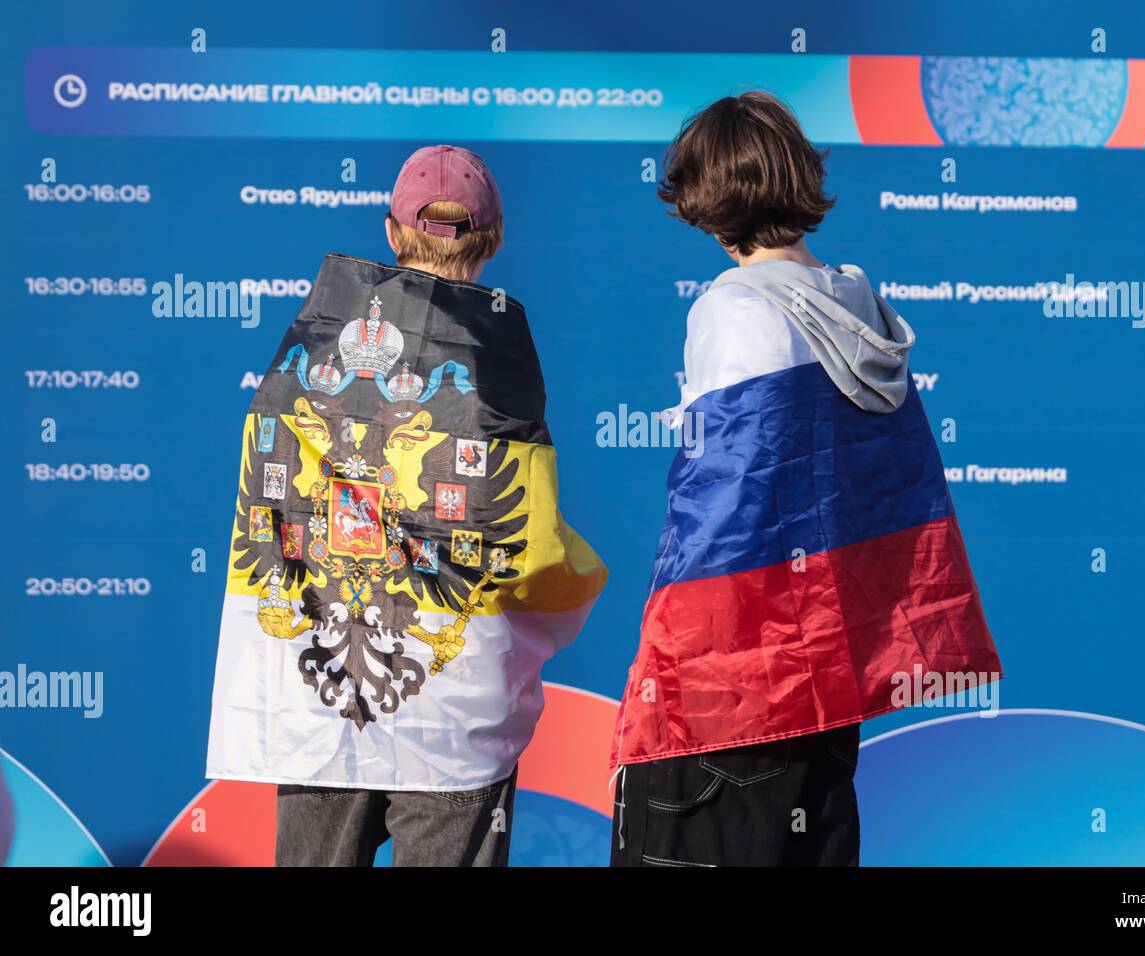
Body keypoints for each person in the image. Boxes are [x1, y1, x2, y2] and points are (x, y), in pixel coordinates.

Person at [609, 93, 1002, 867]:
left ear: (711, 201)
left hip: (735, 689)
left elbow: (723, 519)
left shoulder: (736, 308)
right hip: (828, 684)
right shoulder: (862, 306)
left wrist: (659, 682)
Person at [207, 146, 607, 867]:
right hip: (450, 700)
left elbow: (262, 520)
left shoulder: (294, 370)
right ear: (494, 240)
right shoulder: (498, 374)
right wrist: (578, 591)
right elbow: (535, 552)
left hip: (316, 684)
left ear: (390, 235)